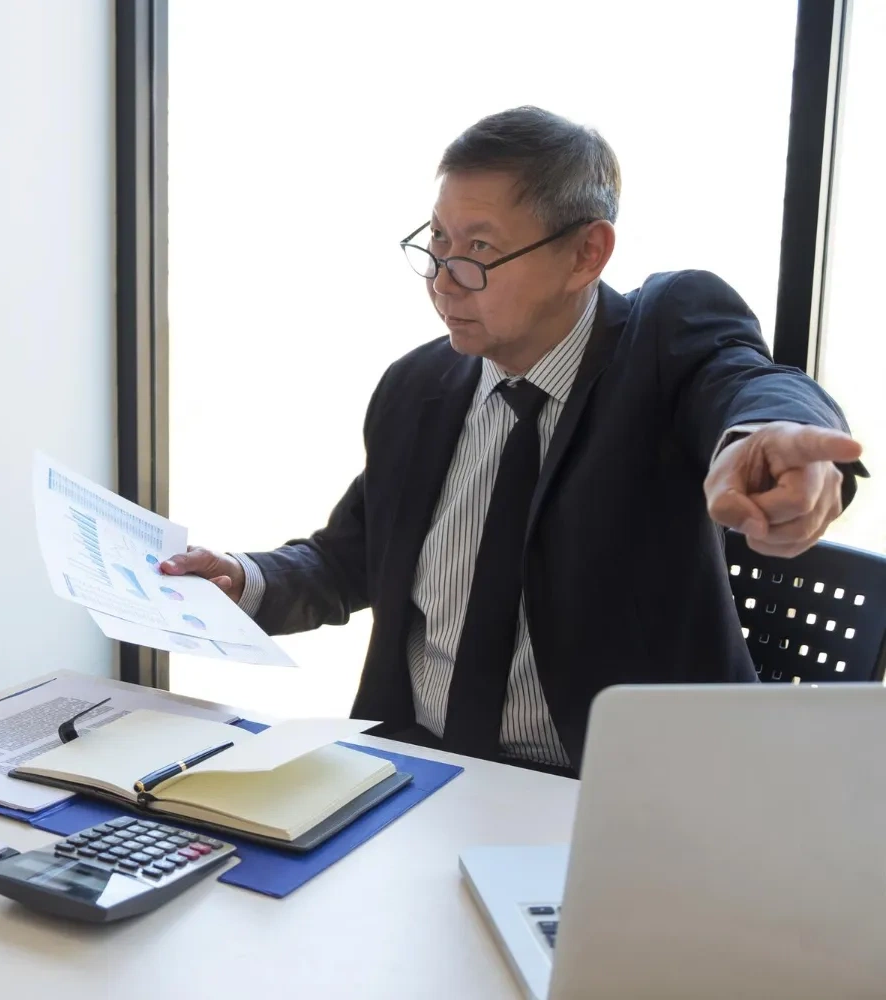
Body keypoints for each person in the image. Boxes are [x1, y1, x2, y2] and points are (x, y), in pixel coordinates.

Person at [163, 106, 866, 777]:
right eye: (437, 241)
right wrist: (244, 578)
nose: (444, 281)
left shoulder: (661, 338)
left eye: (479, 250)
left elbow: (745, 381)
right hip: (415, 768)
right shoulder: (418, 387)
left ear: (586, 254)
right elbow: (353, 556)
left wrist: (770, 435)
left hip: (611, 796)